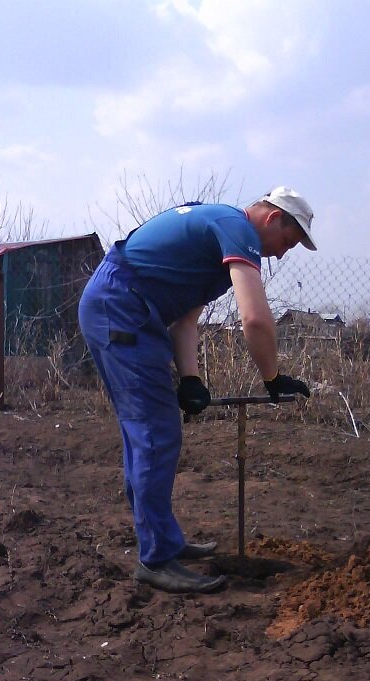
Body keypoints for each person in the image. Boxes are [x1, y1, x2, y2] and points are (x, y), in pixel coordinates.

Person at [78, 186, 315, 594]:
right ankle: (155, 560)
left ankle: (163, 543)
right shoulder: (235, 227)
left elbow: (185, 321)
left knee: (149, 432)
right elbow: (255, 319)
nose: (280, 254)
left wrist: (190, 379)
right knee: (154, 432)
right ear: (273, 218)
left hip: (129, 305)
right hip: (121, 305)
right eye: (287, 242)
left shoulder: (218, 234)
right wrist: (272, 378)